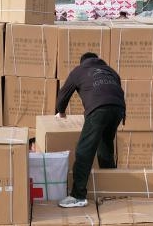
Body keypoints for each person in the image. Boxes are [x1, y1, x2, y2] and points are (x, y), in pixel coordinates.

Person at [54, 52, 126, 208]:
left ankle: (78, 196)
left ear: (82, 62)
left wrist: (61, 111)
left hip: (99, 109)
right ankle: (111, 189)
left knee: (84, 150)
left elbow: (63, 94)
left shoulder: (79, 70)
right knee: (105, 147)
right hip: (118, 109)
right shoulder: (111, 71)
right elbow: (117, 90)